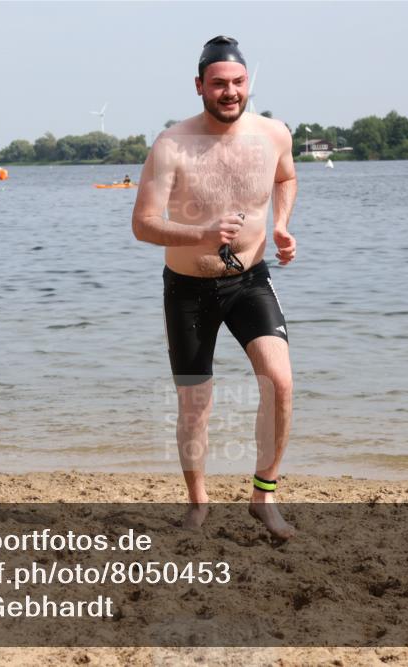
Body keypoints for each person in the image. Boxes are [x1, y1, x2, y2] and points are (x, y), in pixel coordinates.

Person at [131, 35, 298, 539]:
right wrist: (201, 235)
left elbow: (286, 179)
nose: (230, 92)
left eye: (239, 83)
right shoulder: (172, 145)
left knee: (281, 382)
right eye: (220, 84)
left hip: (249, 280)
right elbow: (142, 224)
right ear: (200, 86)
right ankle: (198, 502)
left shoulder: (274, 134)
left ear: (249, 83)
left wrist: (282, 226)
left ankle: (263, 497)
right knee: (195, 402)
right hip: (187, 288)